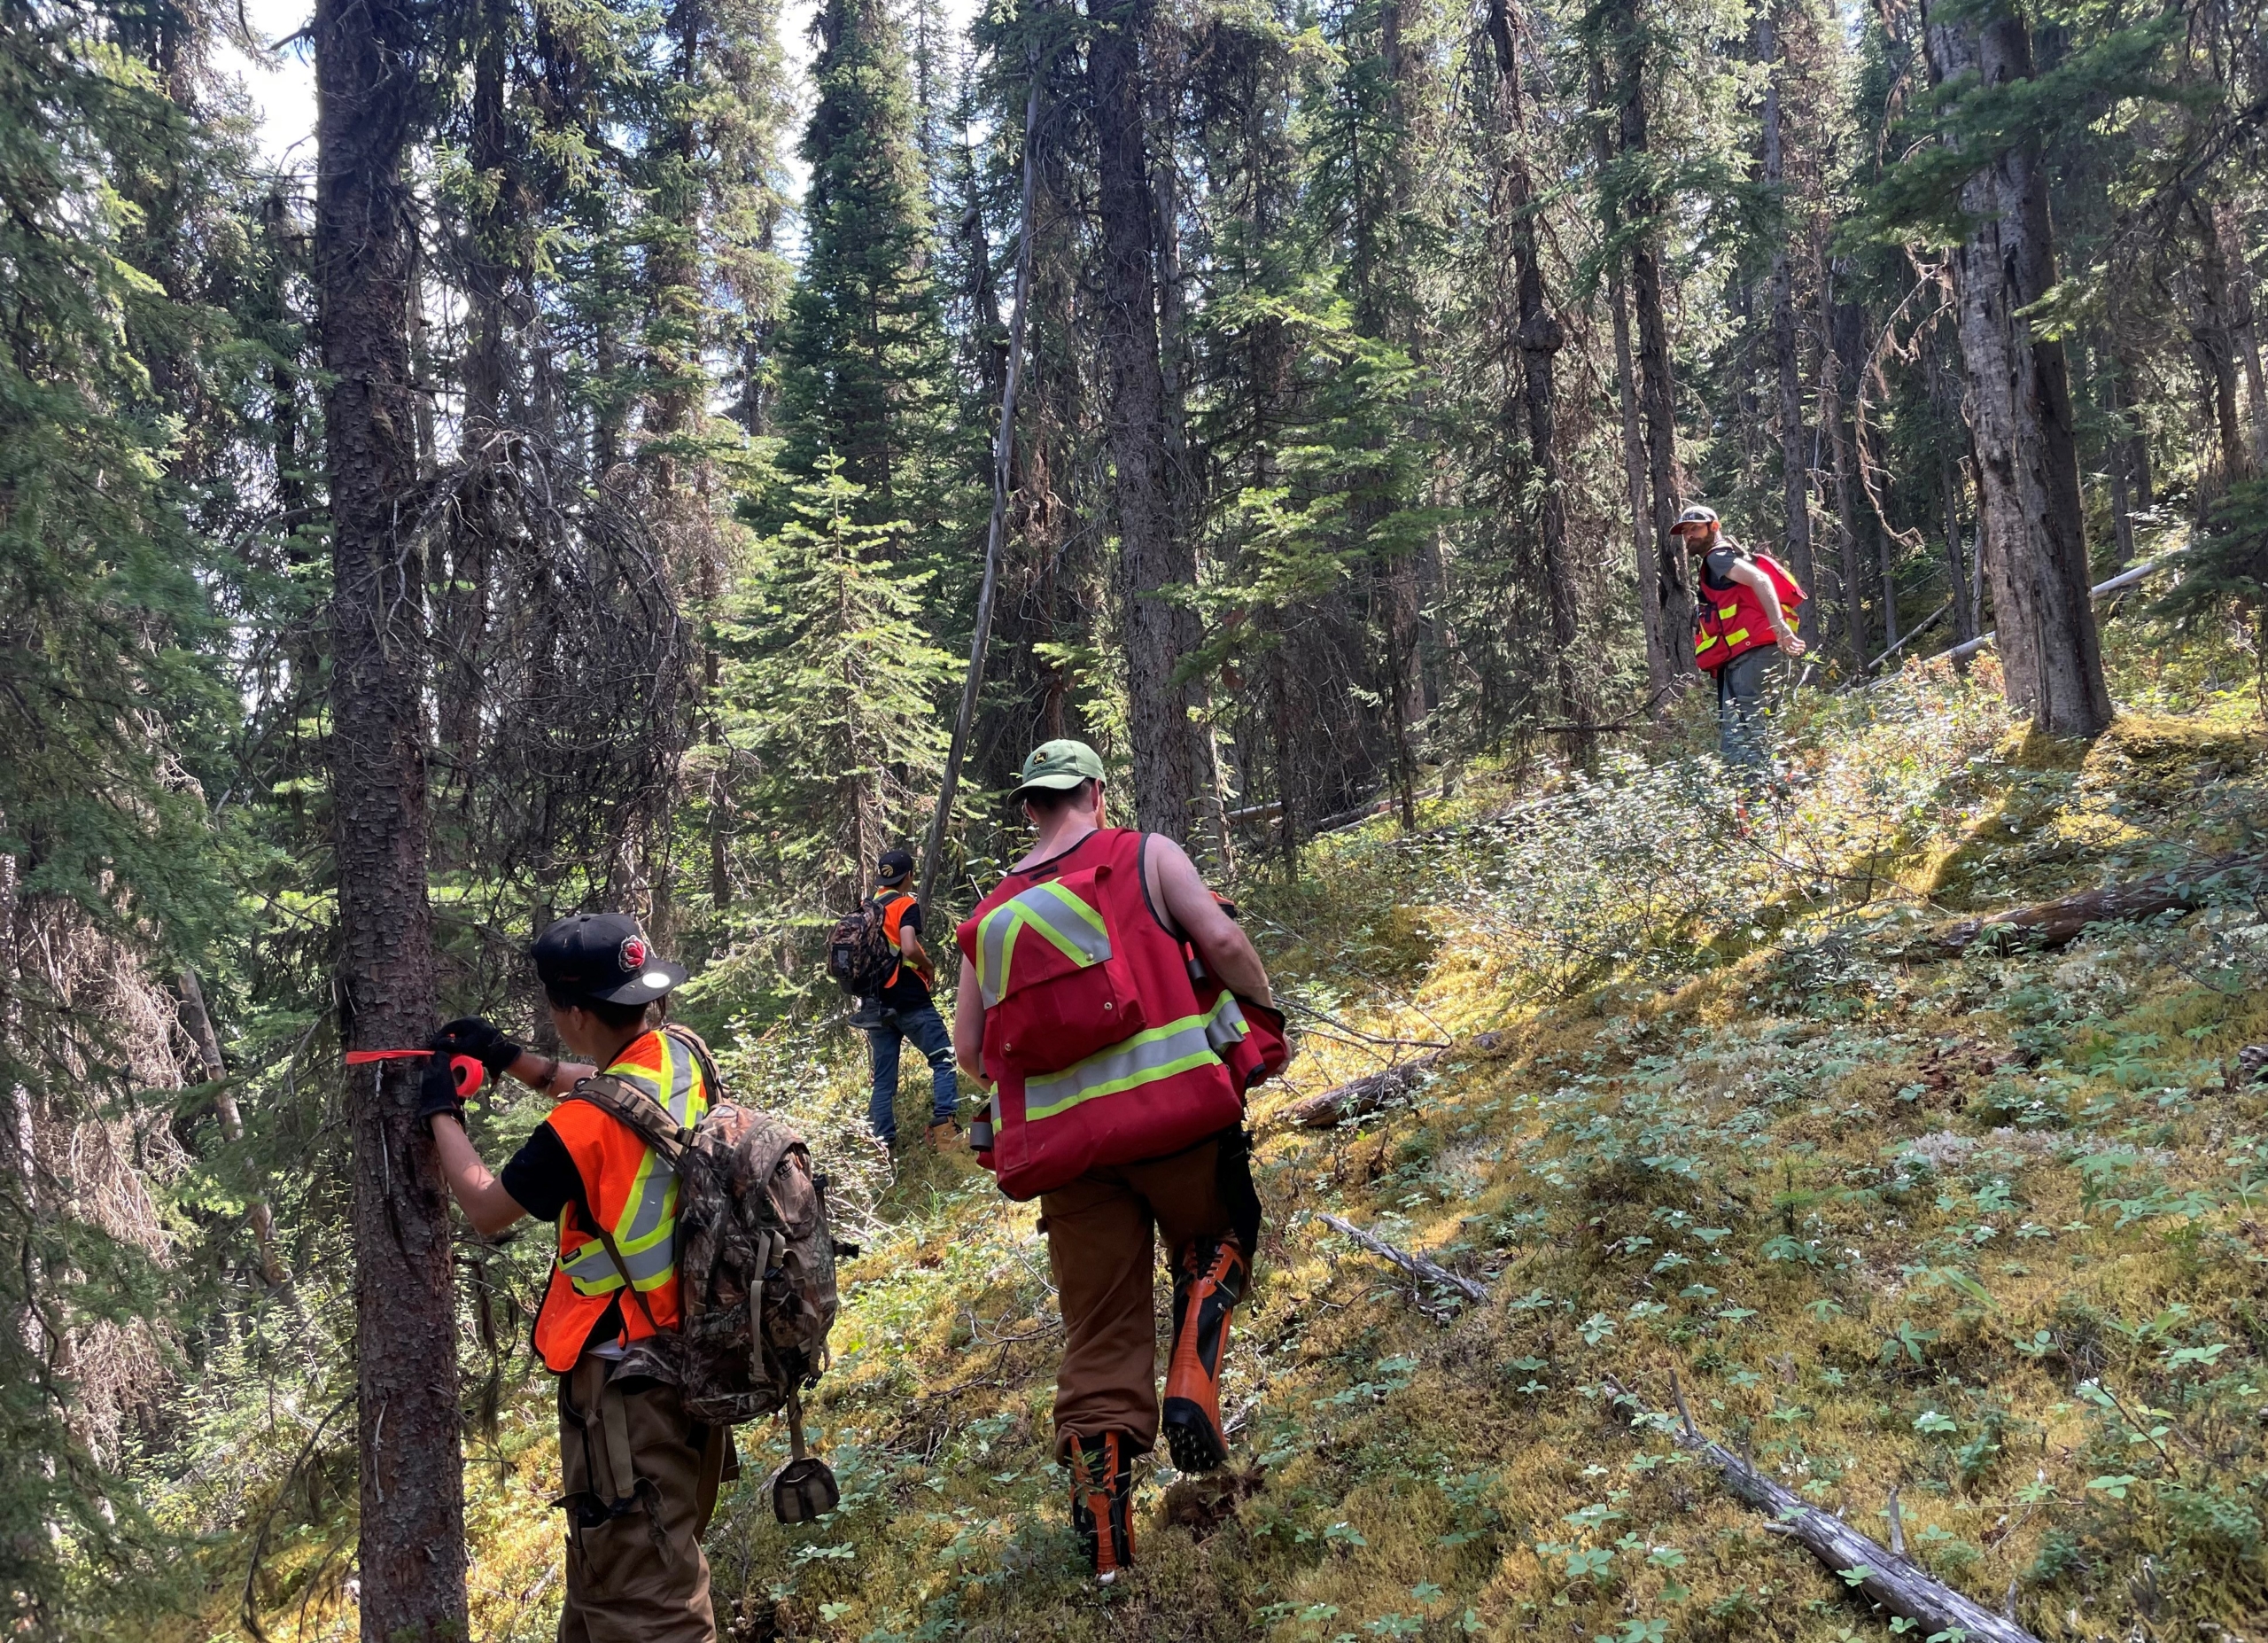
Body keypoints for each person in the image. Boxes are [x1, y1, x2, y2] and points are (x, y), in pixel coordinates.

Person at [951, 740, 1284, 1582]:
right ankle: (1192, 1381)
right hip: (1174, 1123)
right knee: (1221, 1234)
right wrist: (1263, 1008)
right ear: (1095, 794)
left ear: (1032, 806)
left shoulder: (990, 918)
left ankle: (1107, 1554)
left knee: (1099, 1330)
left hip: (1067, 1160)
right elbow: (1221, 938)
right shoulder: (1143, 855)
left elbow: (967, 1050)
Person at [422, 913, 730, 1643]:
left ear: (574, 1014)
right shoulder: (680, 1052)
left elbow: (488, 1206)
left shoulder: (580, 1128)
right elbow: (603, 1084)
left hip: (627, 1383)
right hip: (693, 1350)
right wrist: (506, 1058)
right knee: (611, 1579)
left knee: (652, 1601)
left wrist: (441, 1112)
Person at [1676, 503, 1806, 785]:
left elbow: (1759, 578)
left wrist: (1778, 626)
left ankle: (1772, 805)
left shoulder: (1717, 558)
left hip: (1752, 657)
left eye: (1695, 528)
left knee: (1741, 745)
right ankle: (1788, 799)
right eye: (1685, 532)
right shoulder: (1724, 557)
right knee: (1757, 736)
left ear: (1714, 527)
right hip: (1751, 656)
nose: (1689, 536)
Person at [860, 845, 960, 1151]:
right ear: (909, 878)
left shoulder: (866, 907)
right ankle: (946, 1134)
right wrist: (928, 966)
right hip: (908, 998)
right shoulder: (905, 905)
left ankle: (882, 1148)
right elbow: (908, 946)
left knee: (883, 1080)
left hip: (874, 1003)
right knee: (944, 1058)